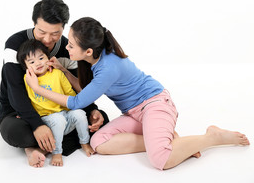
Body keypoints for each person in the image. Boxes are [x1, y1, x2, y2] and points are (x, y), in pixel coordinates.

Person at [25, 16, 250, 170]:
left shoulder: (108, 68)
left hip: (155, 104)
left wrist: (37, 89)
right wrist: (64, 69)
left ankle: (211, 137)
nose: (67, 47)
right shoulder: (94, 60)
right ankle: (166, 139)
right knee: (99, 142)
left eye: (71, 45)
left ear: (89, 50)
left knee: (161, 159)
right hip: (134, 113)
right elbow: (85, 91)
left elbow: (76, 102)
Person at [0, 0, 109, 168]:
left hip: (60, 112)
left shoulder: (68, 48)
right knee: (17, 133)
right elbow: (15, 91)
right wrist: (37, 124)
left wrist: (92, 109)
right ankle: (44, 142)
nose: (47, 39)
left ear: (64, 27)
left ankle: (40, 147)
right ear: (34, 23)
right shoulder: (14, 45)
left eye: (55, 33)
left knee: (100, 120)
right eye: (42, 31)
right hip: (19, 112)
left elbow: (73, 88)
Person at [17, 39, 94, 166]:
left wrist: (80, 105)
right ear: (26, 67)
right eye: (31, 62)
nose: (38, 63)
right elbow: (24, 98)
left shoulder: (57, 73)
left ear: (49, 57)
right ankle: (57, 152)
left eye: (41, 58)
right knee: (58, 119)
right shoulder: (29, 79)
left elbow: (70, 93)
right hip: (47, 119)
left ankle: (84, 142)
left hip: (65, 114)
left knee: (79, 113)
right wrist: (22, 114)